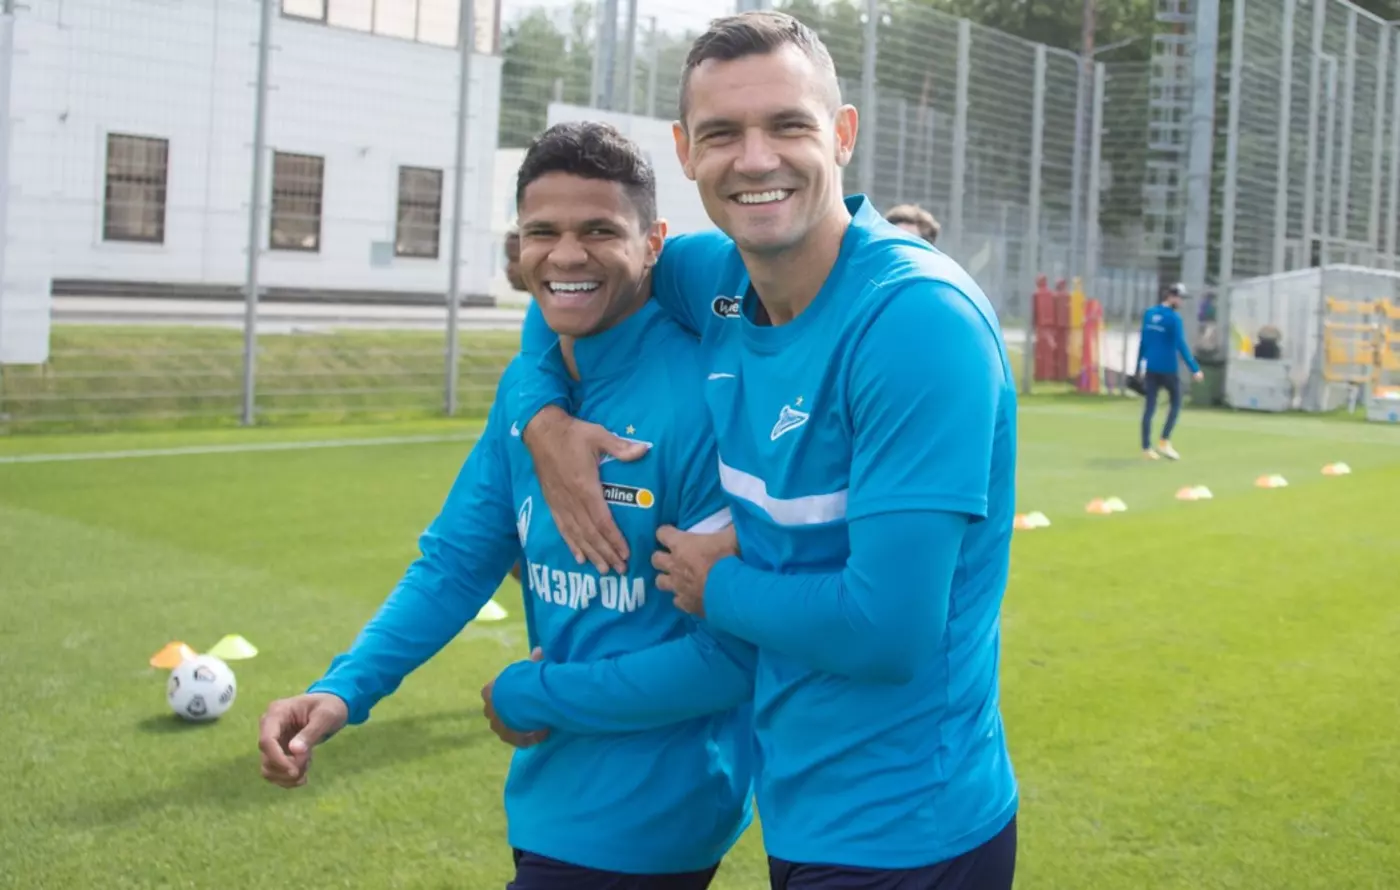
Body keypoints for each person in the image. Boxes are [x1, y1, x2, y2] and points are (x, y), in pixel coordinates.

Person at [506, 11, 1019, 888]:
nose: (754, 159)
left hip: (912, 828)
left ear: (843, 135)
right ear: (685, 151)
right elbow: (572, 281)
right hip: (801, 806)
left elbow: (889, 632)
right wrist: (543, 422)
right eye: (721, 134)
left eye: (787, 125)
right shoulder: (715, 276)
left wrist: (717, 587)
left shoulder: (915, 323)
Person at [257, 121, 757, 890]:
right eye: (542, 232)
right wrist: (342, 689)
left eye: (599, 230)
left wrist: (533, 691)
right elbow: (456, 563)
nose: (566, 256)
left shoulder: (703, 400)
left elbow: (729, 656)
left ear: (653, 242)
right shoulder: (531, 395)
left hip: (657, 810)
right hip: (549, 792)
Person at [1136, 281, 1204, 460]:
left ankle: (1146, 448)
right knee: (1176, 403)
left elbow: (1143, 341)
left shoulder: (1150, 314)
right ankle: (1164, 441)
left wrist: (1138, 366)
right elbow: (1181, 344)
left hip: (1151, 367)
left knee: (1149, 407)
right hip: (1168, 368)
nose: (1181, 302)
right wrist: (1194, 369)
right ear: (1172, 297)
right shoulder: (1173, 318)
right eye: (1180, 298)